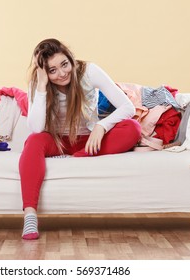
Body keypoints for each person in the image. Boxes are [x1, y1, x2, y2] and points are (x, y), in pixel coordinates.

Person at [19, 38, 141, 240]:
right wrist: (41, 84)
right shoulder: (38, 83)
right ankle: (30, 215)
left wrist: (102, 126)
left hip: (89, 141)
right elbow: (36, 128)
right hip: (56, 141)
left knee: (132, 128)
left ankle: (77, 156)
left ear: (71, 59)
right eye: (52, 70)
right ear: (44, 72)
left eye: (64, 64)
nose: (62, 73)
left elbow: (127, 107)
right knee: (33, 141)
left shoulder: (89, 72)